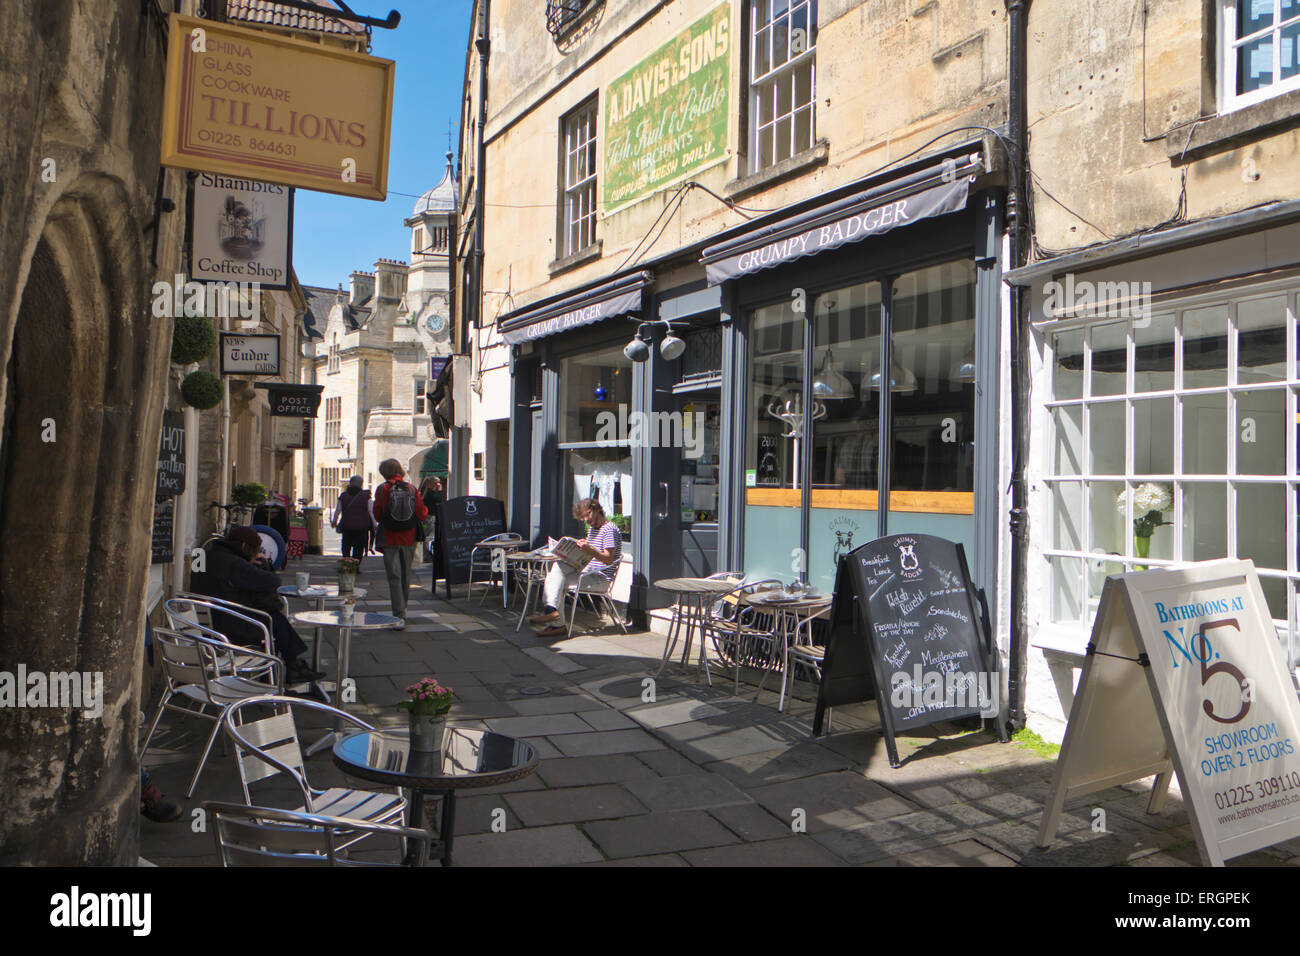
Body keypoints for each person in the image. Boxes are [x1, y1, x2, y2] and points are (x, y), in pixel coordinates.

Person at [190, 526, 323, 683]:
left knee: (272, 615)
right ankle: (293, 666)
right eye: (255, 550)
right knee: (273, 617)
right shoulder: (235, 564)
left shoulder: (204, 555)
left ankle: (294, 665)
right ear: (245, 547)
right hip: (229, 626)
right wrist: (253, 563)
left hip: (204, 622)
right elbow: (273, 581)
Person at [529, 498, 621, 638]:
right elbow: (588, 555)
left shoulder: (609, 529)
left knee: (556, 582)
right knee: (557, 568)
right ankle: (551, 613)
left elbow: (608, 559)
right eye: (583, 517)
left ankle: (555, 620)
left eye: (587, 514)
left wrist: (589, 548)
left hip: (600, 578)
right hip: (587, 573)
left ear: (596, 509)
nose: (586, 519)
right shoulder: (592, 530)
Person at [373, 459, 428, 630]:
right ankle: (403, 608)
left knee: (394, 576)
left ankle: (398, 614)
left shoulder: (382, 489)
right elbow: (422, 513)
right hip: (409, 536)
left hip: (390, 537)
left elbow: (377, 514)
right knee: (405, 575)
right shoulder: (411, 489)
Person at [332, 475, 375, 566]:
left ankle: (346, 565)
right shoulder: (366, 497)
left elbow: (338, 510)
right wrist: (375, 524)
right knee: (359, 548)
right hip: (362, 527)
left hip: (347, 526)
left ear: (350, 483)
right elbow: (371, 512)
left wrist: (334, 521)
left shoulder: (343, 496)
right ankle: (356, 566)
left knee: (346, 546)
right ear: (361, 485)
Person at [417, 476, 444, 562]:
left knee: (425, 536)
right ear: (433, 484)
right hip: (430, 516)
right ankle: (427, 556)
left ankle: (425, 555)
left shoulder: (423, 491)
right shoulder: (430, 492)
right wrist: (440, 490)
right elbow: (439, 500)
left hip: (424, 516)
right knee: (429, 537)